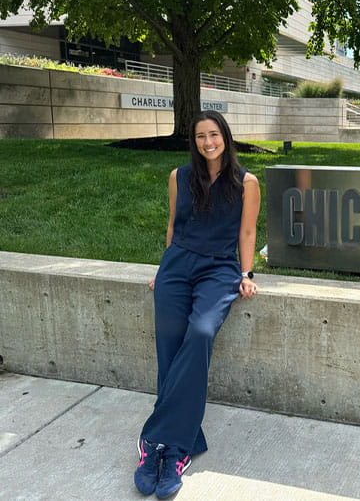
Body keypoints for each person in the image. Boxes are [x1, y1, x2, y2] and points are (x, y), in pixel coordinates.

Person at [134, 110, 261, 498]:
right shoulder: (179, 177)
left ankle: (156, 440)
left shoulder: (246, 182)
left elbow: (247, 230)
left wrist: (246, 273)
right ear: (194, 141)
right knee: (169, 345)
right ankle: (174, 450)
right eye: (200, 136)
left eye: (214, 134)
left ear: (225, 136)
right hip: (177, 265)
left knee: (201, 332)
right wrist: (164, 264)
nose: (208, 142)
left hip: (219, 270)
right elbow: (174, 224)